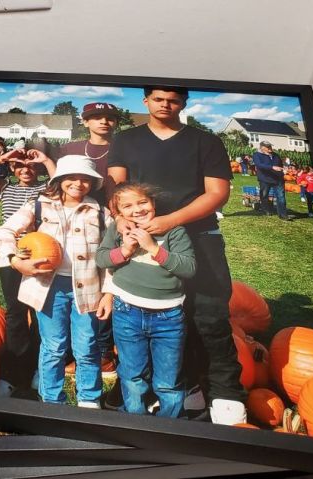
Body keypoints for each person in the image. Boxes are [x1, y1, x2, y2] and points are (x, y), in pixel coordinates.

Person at [107, 86, 247, 425]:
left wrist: (169, 221)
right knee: (152, 315)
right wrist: (121, 217)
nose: (165, 105)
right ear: (146, 101)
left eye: (173, 100)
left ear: (183, 103)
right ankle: (174, 386)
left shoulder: (205, 142)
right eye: (158, 99)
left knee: (210, 315)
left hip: (199, 234)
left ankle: (225, 393)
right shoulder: (126, 140)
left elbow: (218, 193)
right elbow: (116, 185)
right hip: (140, 237)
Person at [0, 155, 113, 407]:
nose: (78, 184)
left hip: (89, 289)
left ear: (92, 183)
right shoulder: (38, 206)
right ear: (59, 180)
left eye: (85, 179)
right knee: (53, 346)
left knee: (87, 347)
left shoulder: (101, 213)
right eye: (71, 177)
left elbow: (111, 256)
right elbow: (3, 231)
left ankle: (89, 400)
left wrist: (109, 292)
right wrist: (15, 259)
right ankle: (50, 400)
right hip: (49, 288)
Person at [96, 182, 196, 417]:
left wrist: (153, 248)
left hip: (168, 316)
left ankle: (167, 426)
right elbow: (101, 259)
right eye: (128, 206)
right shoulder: (118, 230)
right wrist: (126, 251)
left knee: (168, 380)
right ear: (119, 212)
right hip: (127, 310)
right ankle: (135, 421)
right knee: (132, 375)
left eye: (143, 202)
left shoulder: (173, 231)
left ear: (153, 204)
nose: (137, 209)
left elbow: (189, 268)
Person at [0, 148, 56, 398]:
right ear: (12, 169)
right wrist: (1, 159)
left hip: (41, 253)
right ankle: (15, 369)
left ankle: (40, 365)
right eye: (19, 167)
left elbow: (61, 180)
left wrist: (46, 161)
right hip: (12, 255)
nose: (25, 170)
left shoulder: (48, 188)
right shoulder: (5, 187)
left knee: (41, 311)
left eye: (30, 167)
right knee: (16, 311)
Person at [56, 101, 121, 380]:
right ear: (85, 121)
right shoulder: (70, 148)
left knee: (101, 282)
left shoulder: (123, 147)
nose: (103, 122)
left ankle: (104, 352)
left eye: (109, 118)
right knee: (73, 287)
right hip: (74, 218)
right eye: (96, 117)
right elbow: (60, 179)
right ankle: (71, 351)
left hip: (108, 217)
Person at [253, 140, 291, 221]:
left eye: (270, 146)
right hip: (265, 179)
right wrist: (272, 167)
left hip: (278, 179)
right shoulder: (257, 155)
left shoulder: (276, 155)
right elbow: (259, 165)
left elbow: (280, 165)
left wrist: (284, 169)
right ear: (262, 147)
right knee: (264, 195)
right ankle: (266, 209)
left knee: (281, 196)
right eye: (268, 147)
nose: (270, 148)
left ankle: (283, 215)